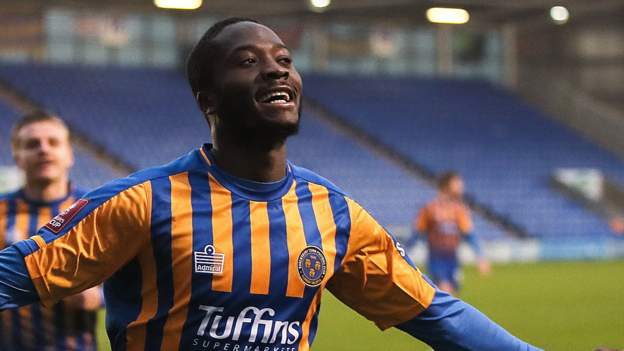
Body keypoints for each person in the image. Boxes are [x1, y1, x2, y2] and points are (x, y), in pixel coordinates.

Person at [0, 18, 543, 351]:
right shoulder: (142, 203)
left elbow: (434, 315)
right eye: (247, 61)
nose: (276, 70)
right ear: (206, 100)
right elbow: (12, 276)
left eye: (284, 60)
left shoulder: (335, 216)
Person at [0, 112, 102, 350]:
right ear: (17, 156)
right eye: (32, 144)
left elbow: (125, 278)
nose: (43, 150)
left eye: (53, 142)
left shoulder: (97, 210)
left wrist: (97, 298)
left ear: (69, 154)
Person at [411, 171, 490, 294]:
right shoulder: (429, 209)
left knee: (451, 298)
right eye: (457, 183)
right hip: (436, 261)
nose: (461, 186)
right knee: (445, 292)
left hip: (453, 261)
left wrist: (480, 257)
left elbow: (470, 235)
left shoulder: (459, 210)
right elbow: (416, 234)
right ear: (446, 186)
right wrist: (403, 254)